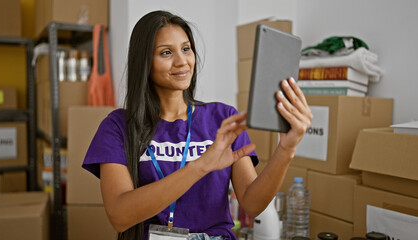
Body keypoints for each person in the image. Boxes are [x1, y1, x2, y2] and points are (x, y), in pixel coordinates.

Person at [82, 10, 312, 240]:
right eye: (166, 52)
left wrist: (286, 149)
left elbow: (252, 204)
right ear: (144, 62)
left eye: (186, 48)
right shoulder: (118, 126)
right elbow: (120, 215)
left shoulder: (222, 118)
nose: (182, 61)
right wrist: (200, 166)